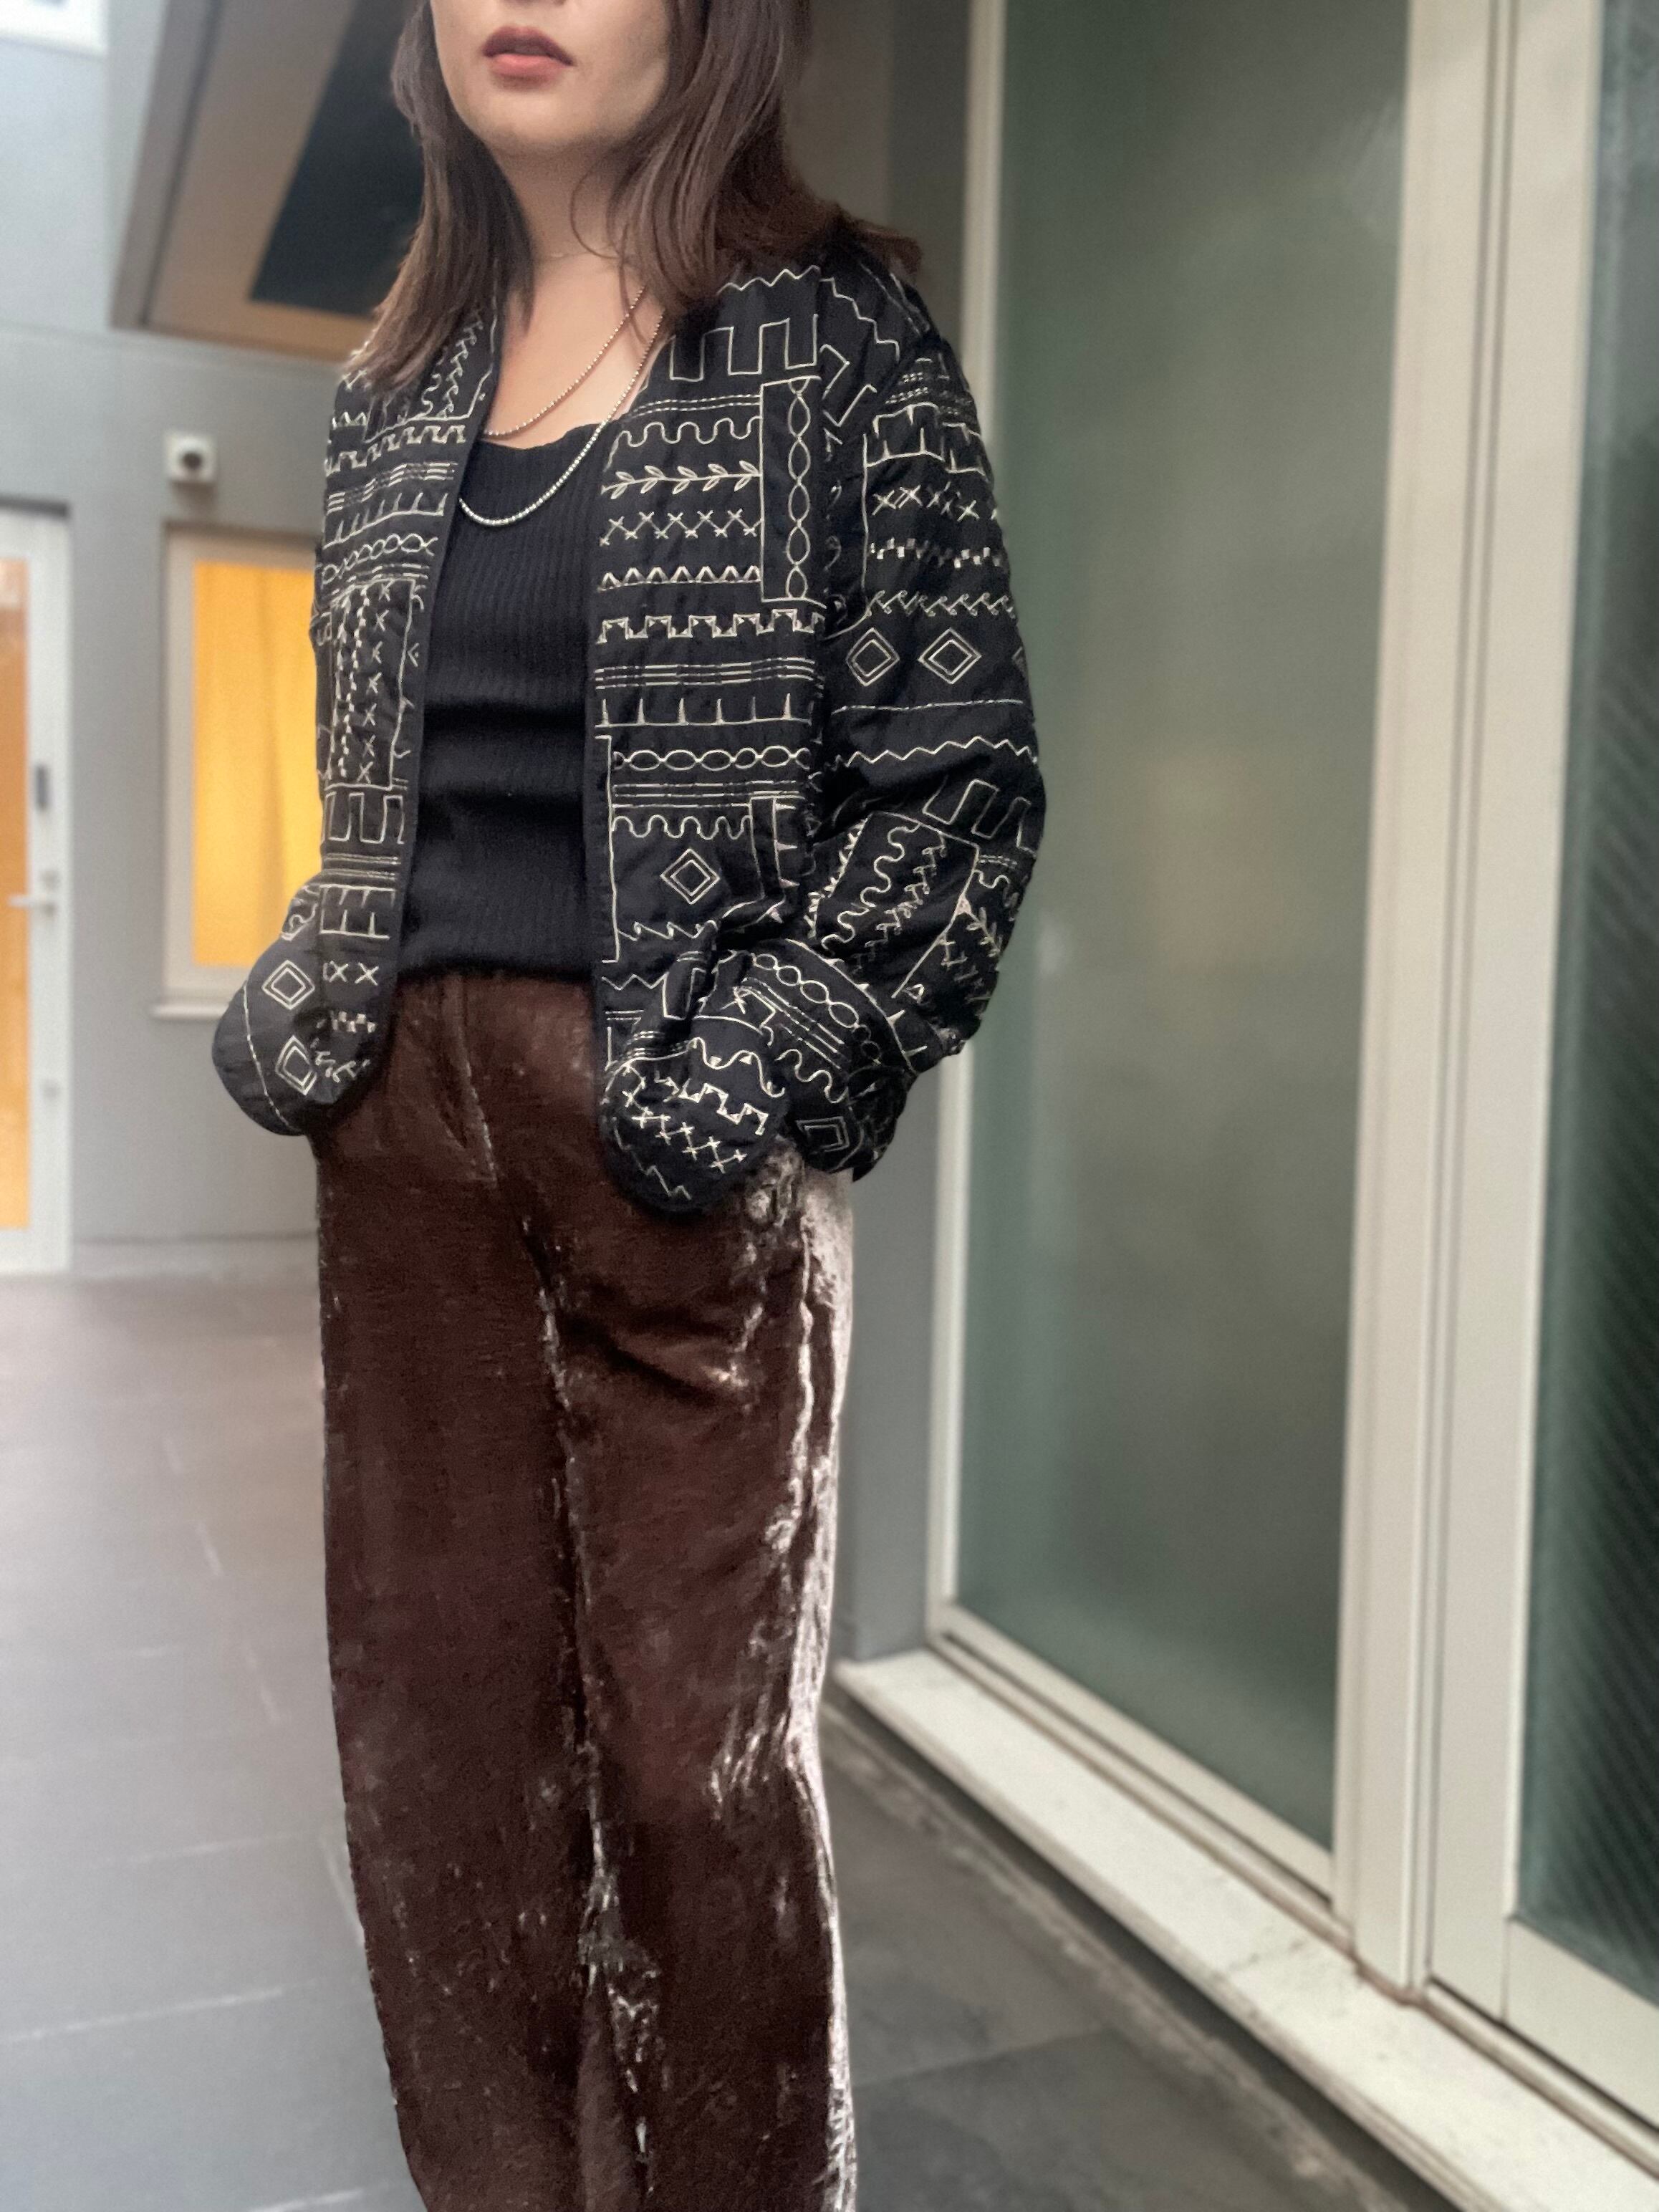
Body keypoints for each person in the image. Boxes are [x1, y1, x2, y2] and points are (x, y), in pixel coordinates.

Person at [212, 1, 1044, 2205]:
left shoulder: (835, 341)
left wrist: (752, 1076)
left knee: (699, 1786)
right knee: (442, 1764)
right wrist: (318, 985)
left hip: (684, 1155)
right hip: (408, 1149)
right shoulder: (392, 388)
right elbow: (391, 798)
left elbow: (955, 796)